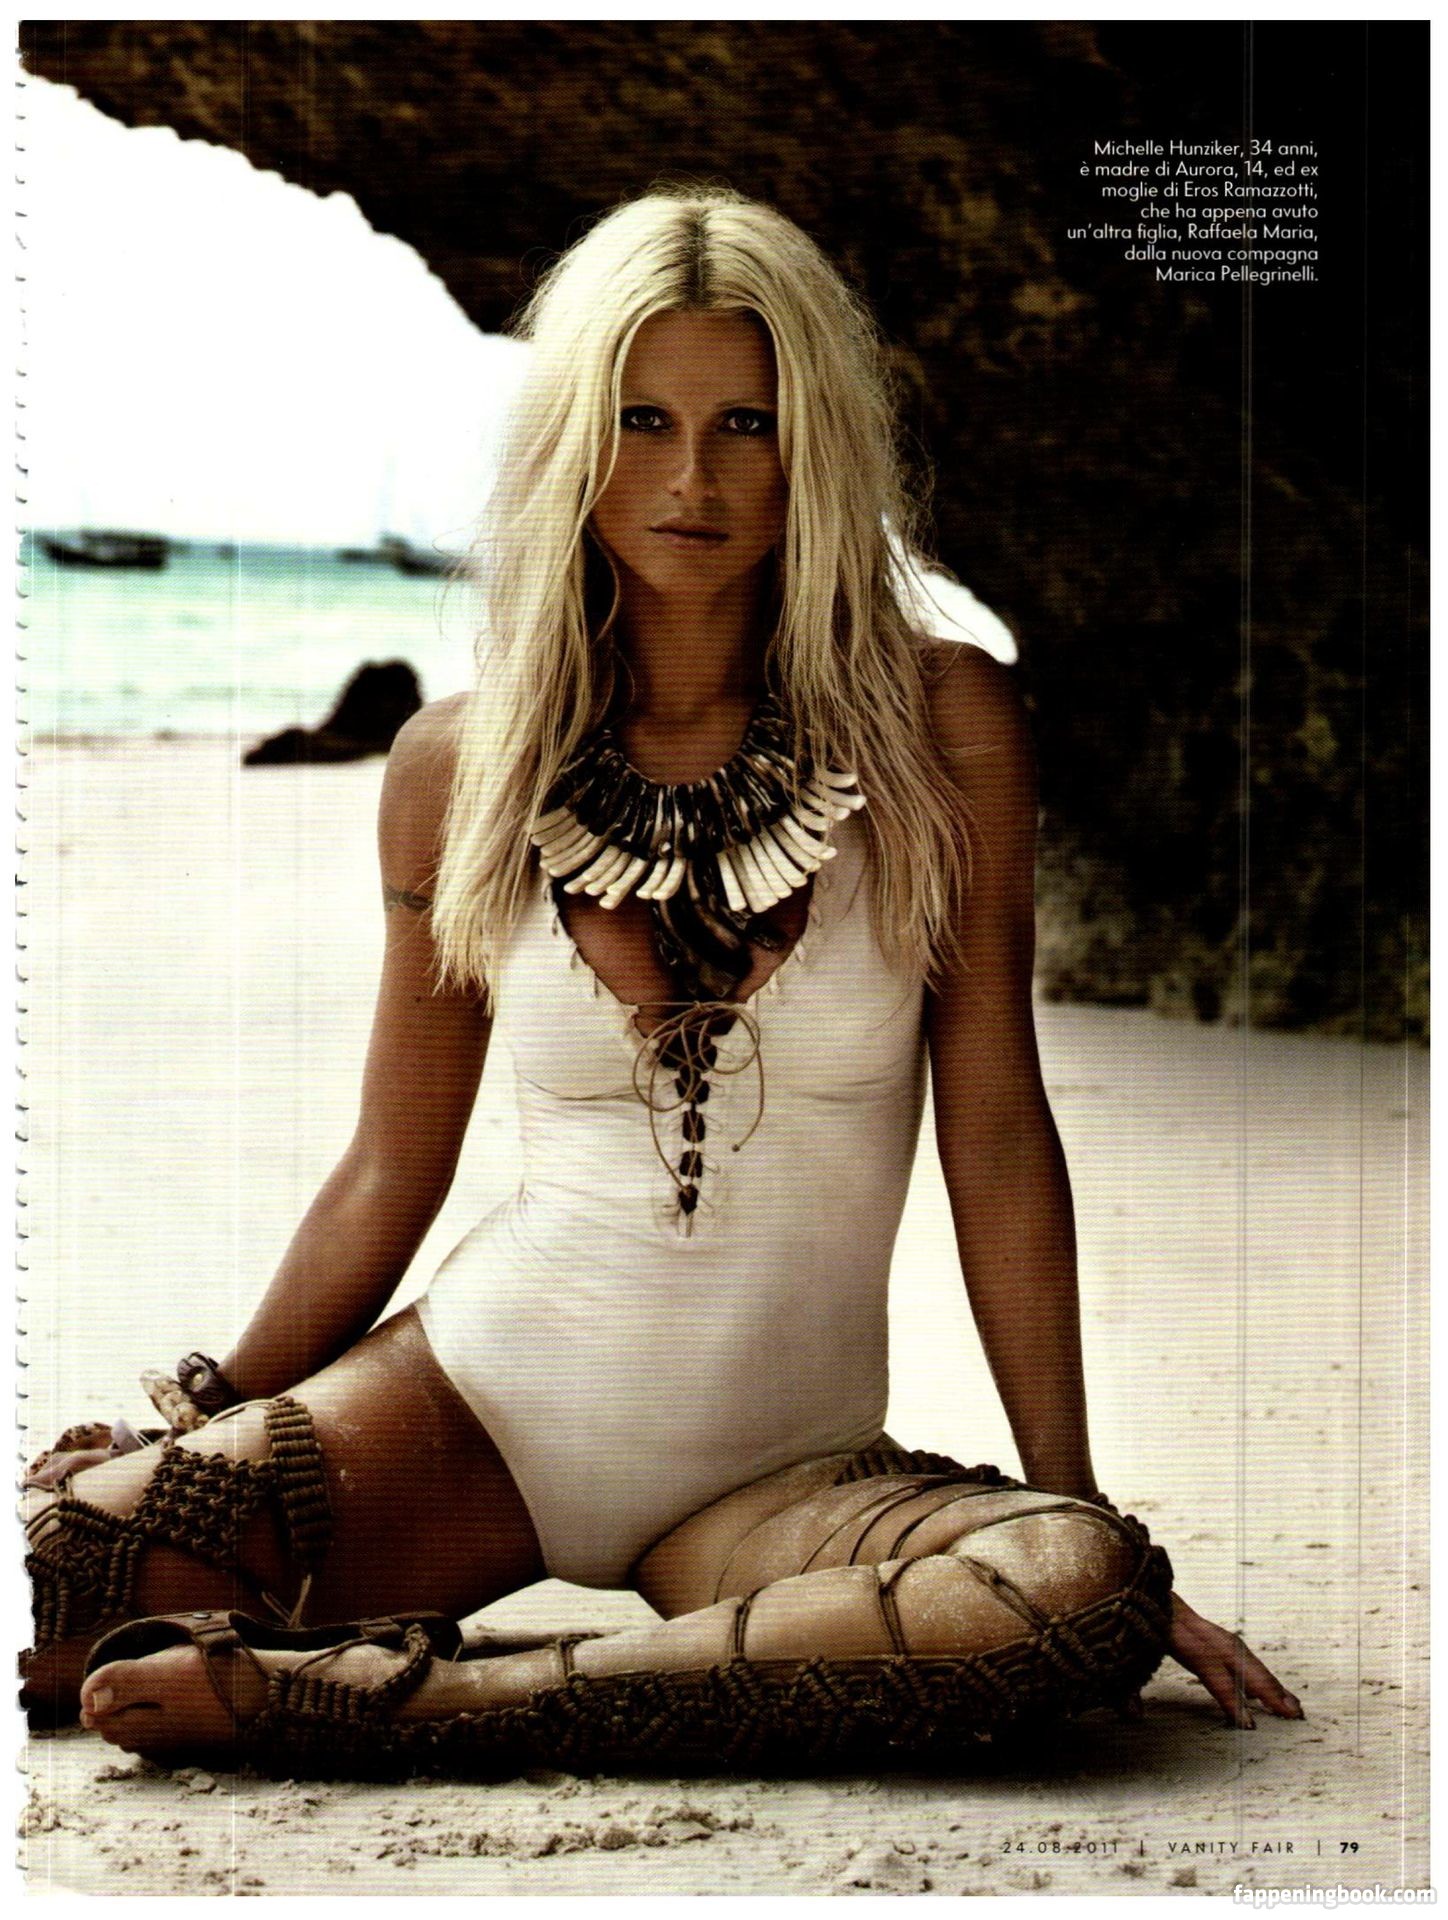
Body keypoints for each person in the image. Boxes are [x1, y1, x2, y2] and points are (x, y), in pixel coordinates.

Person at [24, 188, 1299, 1775]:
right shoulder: (458, 766)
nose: (692, 478)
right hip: (473, 1418)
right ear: (575, 439)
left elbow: (997, 1131)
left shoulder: (940, 727)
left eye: (745, 425)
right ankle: (463, 1675)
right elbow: (389, 1168)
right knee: (67, 1572)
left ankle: (417, 1698)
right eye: (642, 420)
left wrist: (1071, 1493)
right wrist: (207, 1408)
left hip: (780, 1481)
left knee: (1073, 1591)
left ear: (813, 447)